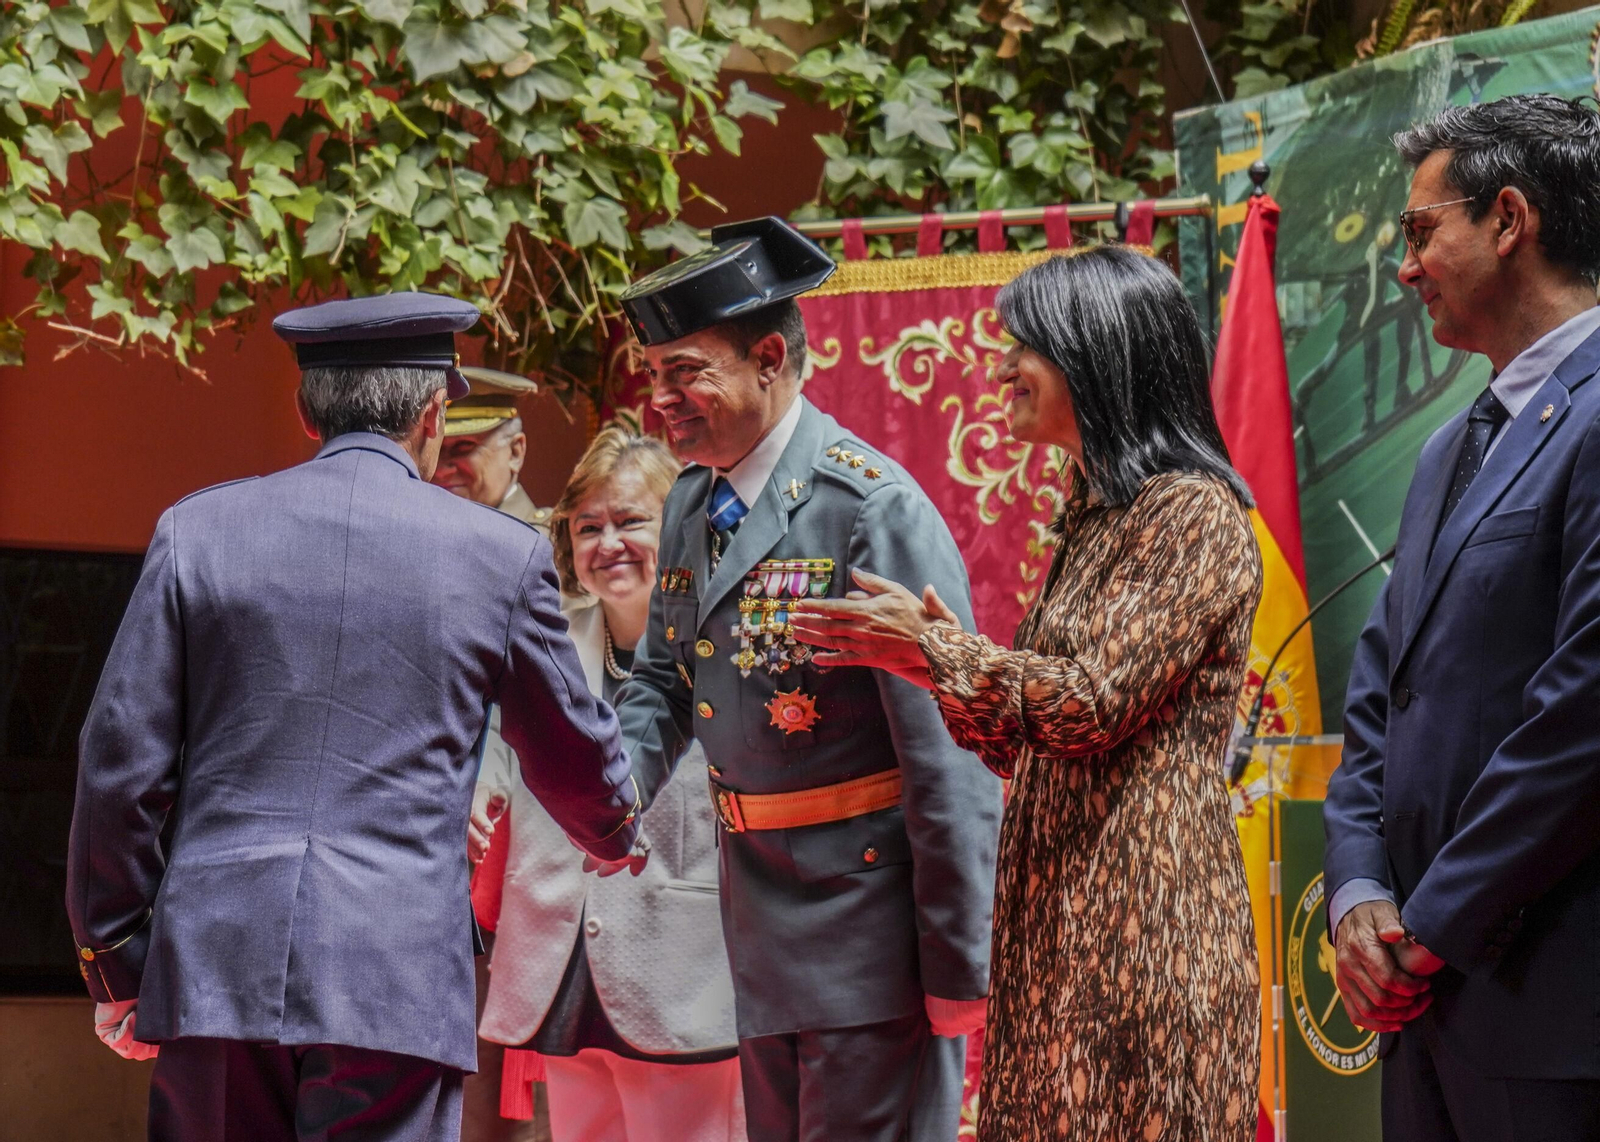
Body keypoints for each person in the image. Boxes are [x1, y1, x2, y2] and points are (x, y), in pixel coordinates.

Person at [65, 292, 643, 1142]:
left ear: (306, 414)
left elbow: (118, 763)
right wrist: (614, 829)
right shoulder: (499, 554)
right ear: (435, 413)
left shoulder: (198, 531)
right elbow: (565, 742)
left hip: (218, 963)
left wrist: (115, 960)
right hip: (392, 970)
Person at [790, 246, 1264, 1142]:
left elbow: (1088, 705)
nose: (1001, 366)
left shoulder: (1189, 512)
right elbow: (1037, 741)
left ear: (1096, 353)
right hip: (1063, 925)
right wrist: (924, 660)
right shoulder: (1100, 512)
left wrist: (939, 651)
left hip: (1144, 930)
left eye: (1026, 346)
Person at [609, 216, 1003, 1142]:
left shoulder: (868, 507)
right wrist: (603, 800)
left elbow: (948, 751)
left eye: (685, 372)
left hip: (868, 929)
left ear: (770, 358)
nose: (660, 399)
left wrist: (959, 966)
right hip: (756, 917)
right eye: (653, 374)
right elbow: (662, 686)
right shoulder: (689, 500)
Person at [1323, 94, 1600, 1140]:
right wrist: (1355, 896)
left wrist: (1428, 925)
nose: (1403, 266)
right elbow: (1379, 699)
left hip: (1547, 1003)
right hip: (1421, 1006)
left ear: (1509, 219)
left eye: (1419, 230)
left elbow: (1580, 719)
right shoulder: (1449, 447)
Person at [470, 426, 743, 1142]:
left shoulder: (729, 648)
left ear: (679, 533)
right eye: (588, 526)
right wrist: (475, 797)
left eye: (631, 521)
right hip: (559, 951)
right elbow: (501, 744)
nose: (608, 542)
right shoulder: (545, 635)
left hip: (683, 962)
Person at [430, 366, 552, 1142]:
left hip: (516, 846)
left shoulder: (557, 550)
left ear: (518, 450)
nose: (448, 467)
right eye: (441, 447)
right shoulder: (428, 538)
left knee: (520, 1090)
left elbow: (538, 709)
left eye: (468, 448)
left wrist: (479, 798)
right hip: (436, 855)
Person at [434, 367, 554, 532]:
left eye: (463, 447)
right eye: (435, 450)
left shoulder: (547, 546)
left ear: (515, 453)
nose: (440, 470)